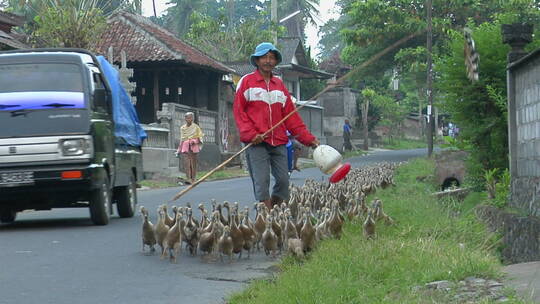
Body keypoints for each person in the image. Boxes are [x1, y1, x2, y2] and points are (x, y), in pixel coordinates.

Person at [233, 42, 319, 210]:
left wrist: (309, 140)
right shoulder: (247, 82)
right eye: (264, 57)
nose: (268, 61)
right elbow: (239, 113)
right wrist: (251, 134)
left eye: (272, 58)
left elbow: (292, 118)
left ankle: (271, 211)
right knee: (262, 181)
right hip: (256, 143)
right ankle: (265, 220)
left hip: (279, 141)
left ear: (276, 61)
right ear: (257, 61)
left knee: (283, 181)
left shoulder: (279, 86)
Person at [176, 112, 204, 185]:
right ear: (185, 119)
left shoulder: (196, 127)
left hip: (193, 147)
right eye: (188, 118)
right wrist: (178, 150)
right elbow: (182, 139)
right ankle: (188, 178)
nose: (189, 119)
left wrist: (195, 141)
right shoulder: (182, 128)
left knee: (193, 163)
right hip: (185, 147)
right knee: (186, 163)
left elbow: (200, 137)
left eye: (191, 118)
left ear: (193, 118)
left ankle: (193, 178)